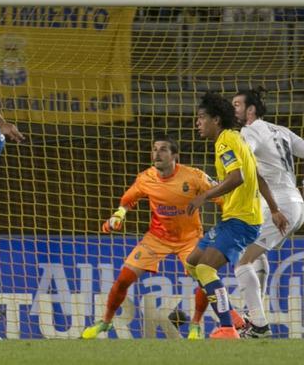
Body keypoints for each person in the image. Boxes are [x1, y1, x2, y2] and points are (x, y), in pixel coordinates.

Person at [81, 135, 212, 339]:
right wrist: (118, 215)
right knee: (123, 280)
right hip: (157, 238)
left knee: (205, 280)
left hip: (190, 238)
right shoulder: (145, 178)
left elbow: (221, 196)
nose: (157, 154)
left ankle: (195, 325)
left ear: (175, 156)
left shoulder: (194, 176)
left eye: (163, 149)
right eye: (154, 149)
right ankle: (105, 322)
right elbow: (127, 200)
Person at [185, 92, 288, 339]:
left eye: (202, 117)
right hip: (237, 218)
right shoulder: (238, 138)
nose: (198, 122)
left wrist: (204, 196)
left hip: (240, 220)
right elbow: (257, 176)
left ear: (216, 120)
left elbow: (237, 177)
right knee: (192, 264)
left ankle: (228, 329)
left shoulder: (225, 142)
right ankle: (235, 319)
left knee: (205, 269)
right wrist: (274, 209)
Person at [232, 89, 304, 338]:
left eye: (237, 104)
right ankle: (254, 318)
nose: (234, 109)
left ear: (251, 110)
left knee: (242, 262)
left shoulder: (249, 131)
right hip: (295, 203)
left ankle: (259, 325)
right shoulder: (281, 130)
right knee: (253, 254)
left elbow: (247, 164)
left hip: (280, 205)